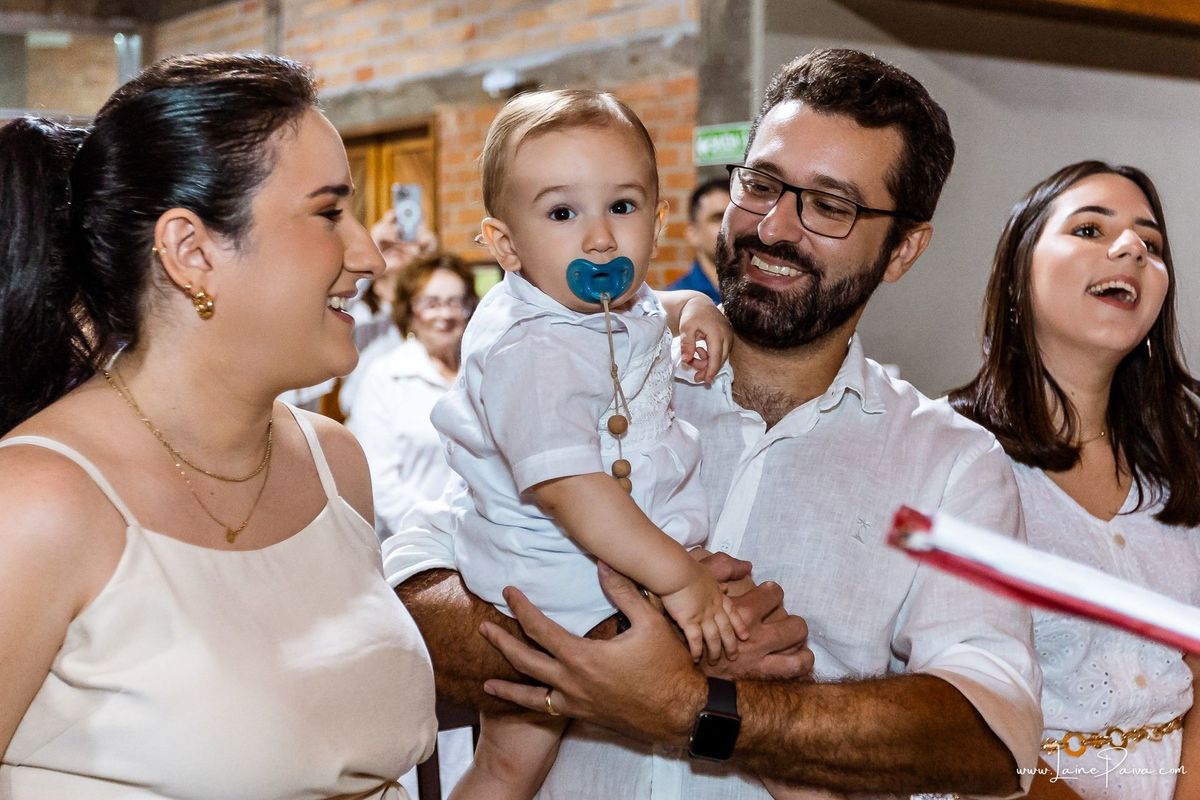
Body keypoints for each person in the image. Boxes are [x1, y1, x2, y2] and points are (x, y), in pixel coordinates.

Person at [386, 48, 1043, 800]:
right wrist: (627, 647)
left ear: (904, 249)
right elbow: (405, 597)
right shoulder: (584, 362)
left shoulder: (950, 463)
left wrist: (705, 707)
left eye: (830, 206)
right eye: (760, 184)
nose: (775, 226)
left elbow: (992, 737)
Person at [0, 53, 436, 798]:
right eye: (329, 213)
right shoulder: (39, 501)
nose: (368, 254)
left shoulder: (334, 465)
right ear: (192, 251)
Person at [411, 88, 745, 800]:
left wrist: (698, 306)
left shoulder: (601, 300)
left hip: (619, 557)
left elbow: (656, 305)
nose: (599, 238)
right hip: (552, 578)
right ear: (505, 244)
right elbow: (571, 491)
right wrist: (679, 581)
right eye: (562, 213)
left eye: (621, 207)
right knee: (511, 766)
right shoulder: (531, 349)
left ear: (658, 219)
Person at [949, 161, 1200, 800]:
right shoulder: (947, 452)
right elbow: (943, 701)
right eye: (1090, 229)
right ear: (1018, 273)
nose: (1132, 248)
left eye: (1152, 243)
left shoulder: (1180, 461)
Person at [347, 253, 478, 540]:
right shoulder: (385, 376)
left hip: (482, 537)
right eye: (431, 303)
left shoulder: (480, 372)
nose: (445, 315)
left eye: (455, 302)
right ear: (409, 310)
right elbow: (380, 481)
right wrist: (438, 534)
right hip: (411, 541)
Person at [665, 178, 729, 303]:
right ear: (693, 234)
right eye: (718, 218)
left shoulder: (764, 293)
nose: (730, 226)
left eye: (737, 217)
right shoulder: (675, 304)